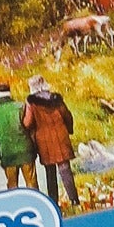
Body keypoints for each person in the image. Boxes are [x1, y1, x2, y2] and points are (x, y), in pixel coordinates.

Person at [24, 74, 79, 207]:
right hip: (61, 137)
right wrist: (69, 130)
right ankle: (74, 200)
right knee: (65, 170)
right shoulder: (56, 99)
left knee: (50, 173)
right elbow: (67, 116)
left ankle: (54, 202)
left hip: (44, 141)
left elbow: (28, 122)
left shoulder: (32, 103)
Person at [0, 81, 33, 189]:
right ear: (9, 93)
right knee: (32, 185)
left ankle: (15, 205)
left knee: (12, 187)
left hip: (7, 154)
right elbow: (31, 128)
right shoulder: (21, 106)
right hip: (26, 151)